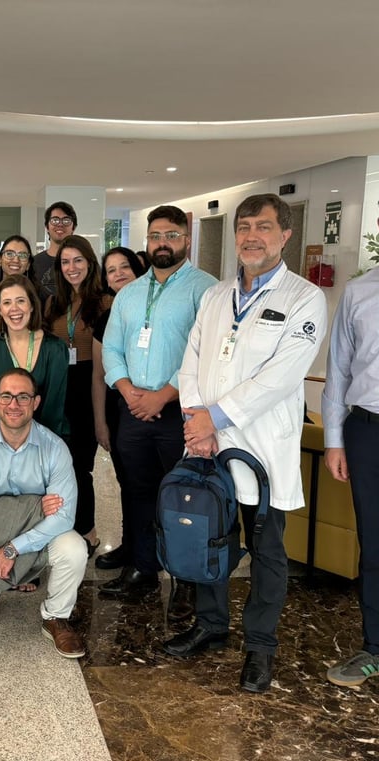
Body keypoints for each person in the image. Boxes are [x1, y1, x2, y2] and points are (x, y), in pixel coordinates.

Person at [165, 193, 326, 694]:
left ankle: (260, 646)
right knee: (209, 536)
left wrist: (212, 418)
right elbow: (191, 361)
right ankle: (211, 625)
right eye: (244, 227)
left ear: (285, 235)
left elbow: (280, 377)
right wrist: (196, 420)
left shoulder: (304, 299)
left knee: (266, 550)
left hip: (261, 447)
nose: (252, 236)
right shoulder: (216, 296)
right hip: (207, 446)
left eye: (264, 227)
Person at [101, 205, 216, 621]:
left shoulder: (207, 290)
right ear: (146, 241)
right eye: (155, 236)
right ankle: (143, 569)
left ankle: (186, 580)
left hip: (180, 412)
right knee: (136, 491)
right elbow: (112, 348)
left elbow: (204, 355)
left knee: (185, 498)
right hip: (132, 408)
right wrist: (127, 389)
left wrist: (163, 395)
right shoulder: (129, 294)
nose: (162, 243)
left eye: (171, 235)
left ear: (186, 239)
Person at [0, 368, 86, 657]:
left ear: (35, 402)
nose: (14, 404)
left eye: (23, 397)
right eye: (7, 396)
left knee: (74, 547)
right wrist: (36, 506)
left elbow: (64, 516)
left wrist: (13, 548)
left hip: (31, 536)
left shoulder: (55, 448)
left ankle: (55, 616)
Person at [322, 266, 379, 687]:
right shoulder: (360, 291)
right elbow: (339, 369)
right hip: (368, 430)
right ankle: (374, 647)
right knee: (374, 545)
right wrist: (334, 439)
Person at [45, 235, 112, 555]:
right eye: (65, 262)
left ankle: (88, 530)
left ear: (90, 263)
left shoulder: (106, 302)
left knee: (80, 466)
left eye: (78, 260)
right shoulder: (52, 304)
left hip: (90, 386)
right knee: (57, 466)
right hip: (58, 388)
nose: (71, 268)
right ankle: (60, 527)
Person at [92, 247, 147, 571]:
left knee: (158, 484)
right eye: (111, 270)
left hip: (162, 408)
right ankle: (132, 546)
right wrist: (100, 422)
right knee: (128, 482)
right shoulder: (105, 319)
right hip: (119, 410)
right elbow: (98, 376)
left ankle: (161, 549)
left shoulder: (157, 312)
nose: (119, 274)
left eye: (124, 266)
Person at [0, 274, 69, 437]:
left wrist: (38, 447)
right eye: (7, 302)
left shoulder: (55, 349)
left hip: (46, 440)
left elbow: (53, 409)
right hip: (1, 441)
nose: (14, 309)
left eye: (20, 301)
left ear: (32, 305)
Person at [33, 202, 77, 301]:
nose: (60, 224)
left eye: (66, 220)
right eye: (55, 220)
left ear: (73, 227)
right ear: (47, 227)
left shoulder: (83, 262)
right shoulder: (34, 263)